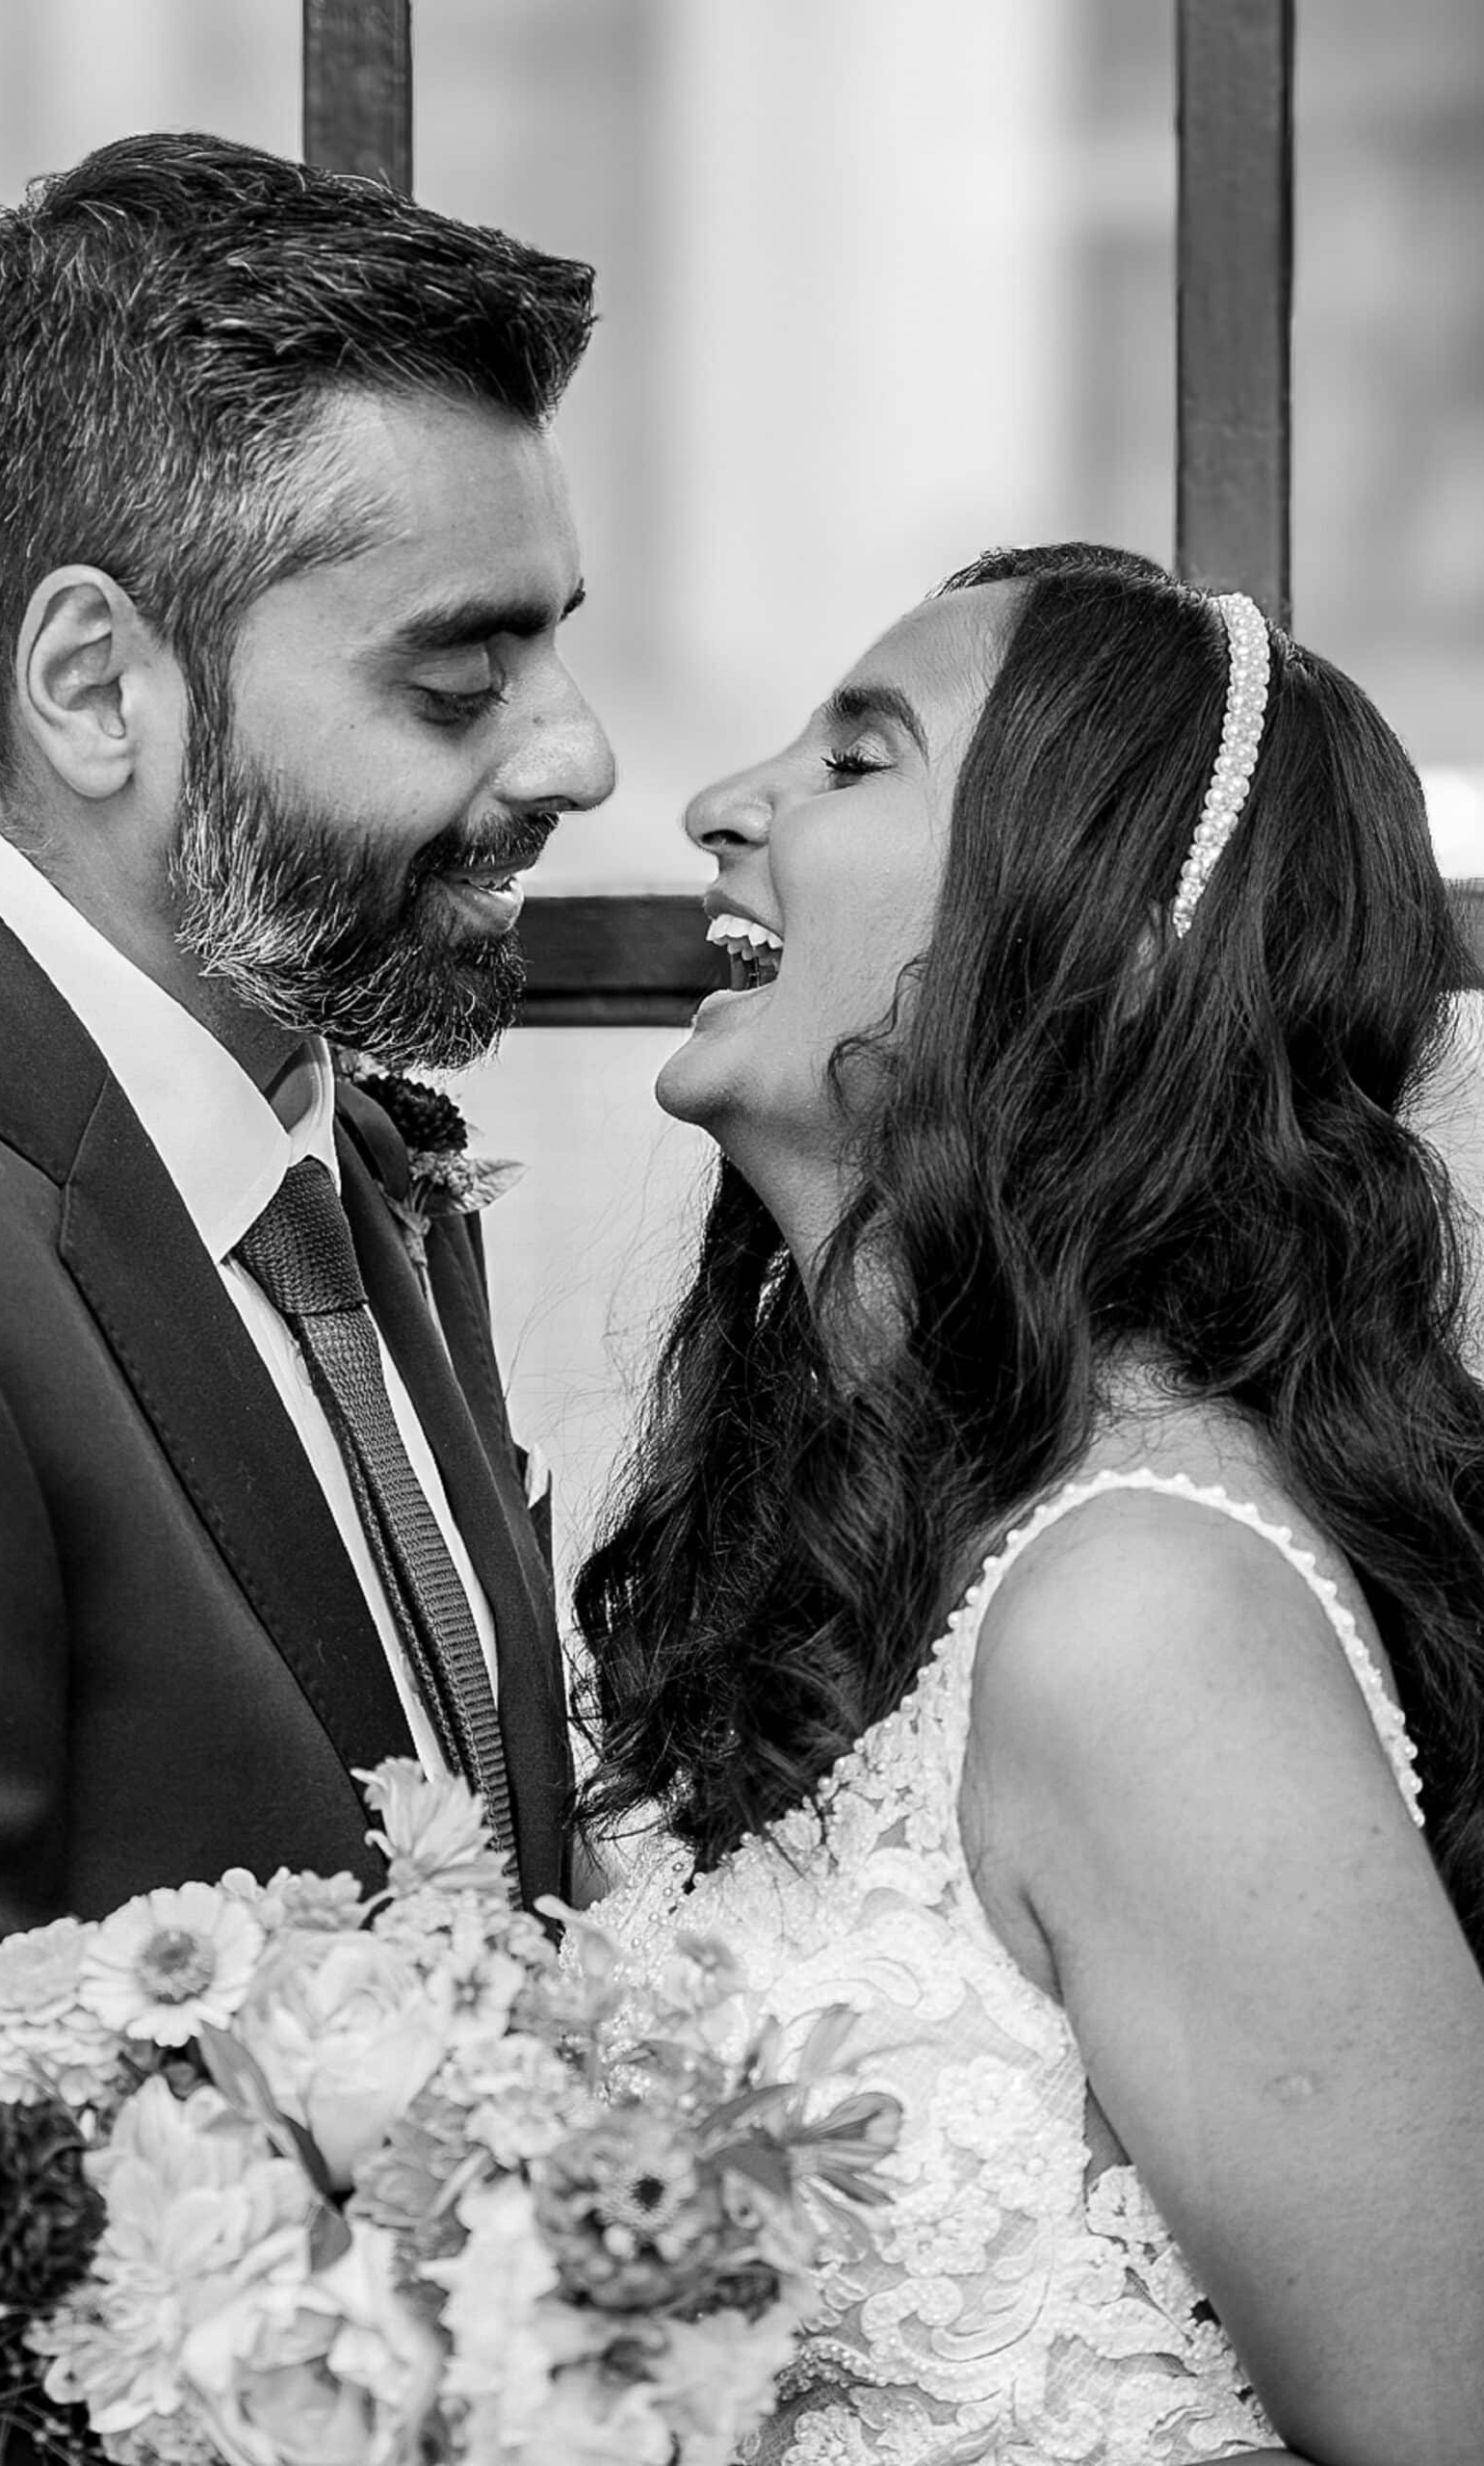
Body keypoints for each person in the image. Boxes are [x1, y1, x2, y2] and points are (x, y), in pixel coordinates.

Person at [573, 544, 1484, 2465]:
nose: (717, 801)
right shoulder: (865, 1533)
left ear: (1110, 944)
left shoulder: (1140, 1610)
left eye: (856, 761)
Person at [0, 133, 615, 2068]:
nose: (582, 753)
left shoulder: (318, 1135)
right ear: (94, 685)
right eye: (459, 679)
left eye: (558, 639)